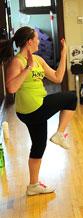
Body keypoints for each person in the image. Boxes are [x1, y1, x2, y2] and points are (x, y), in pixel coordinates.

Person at [1, 26, 76, 195]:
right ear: (29, 41)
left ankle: (33, 186)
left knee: (39, 145)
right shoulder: (17, 62)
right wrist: (27, 67)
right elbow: (11, 88)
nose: (39, 41)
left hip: (37, 107)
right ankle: (60, 134)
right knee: (71, 98)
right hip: (31, 109)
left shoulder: (39, 60)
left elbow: (58, 77)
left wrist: (64, 54)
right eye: (37, 38)